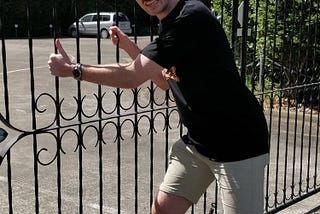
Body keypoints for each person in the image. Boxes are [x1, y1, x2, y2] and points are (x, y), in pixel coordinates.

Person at [48, 0, 270, 213]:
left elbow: (130, 77)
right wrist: (128, 46)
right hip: (200, 143)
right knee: (163, 210)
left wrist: (73, 70)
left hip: (239, 143)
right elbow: (164, 79)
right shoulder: (169, 23)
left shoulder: (190, 16)